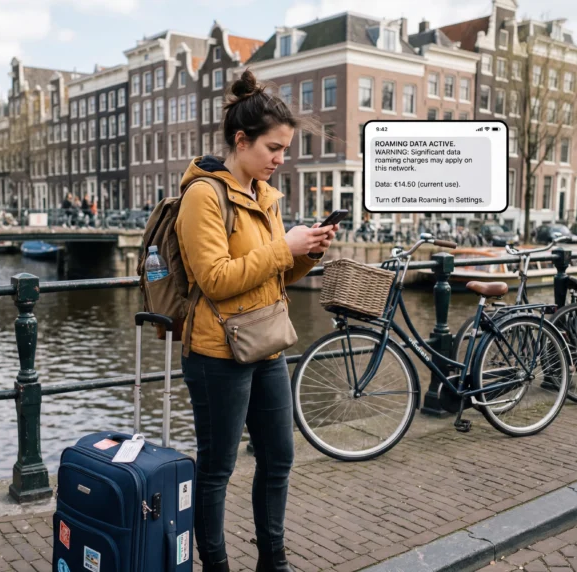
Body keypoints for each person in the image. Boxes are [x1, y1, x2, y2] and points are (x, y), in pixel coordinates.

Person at [174, 69, 335, 572]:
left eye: (284, 149)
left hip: (266, 341)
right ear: (241, 141)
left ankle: (274, 561)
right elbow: (217, 279)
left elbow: (273, 275)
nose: (280, 160)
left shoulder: (266, 196)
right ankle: (217, 565)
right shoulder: (203, 195)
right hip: (218, 350)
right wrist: (281, 247)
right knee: (218, 468)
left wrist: (306, 252)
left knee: (279, 458)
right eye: (273, 149)